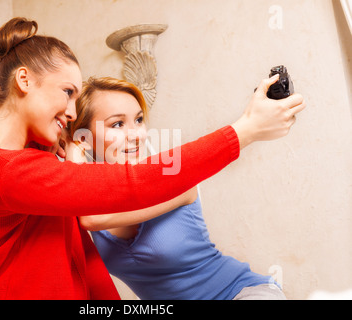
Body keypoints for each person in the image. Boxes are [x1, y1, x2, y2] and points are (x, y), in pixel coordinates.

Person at [0, 17, 305, 300]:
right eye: (67, 93)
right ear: (24, 80)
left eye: (137, 120)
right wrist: (244, 131)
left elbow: (85, 262)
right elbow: (126, 188)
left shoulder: (35, 170)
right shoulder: (5, 171)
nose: (71, 111)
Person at [66, 77, 299, 300]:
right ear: (84, 137)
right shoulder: (89, 192)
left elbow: (91, 215)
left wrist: (72, 148)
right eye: (117, 124)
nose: (136, 135)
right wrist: (73, 147)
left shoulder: (170, 175)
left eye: (138, 120)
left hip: (240, 293)